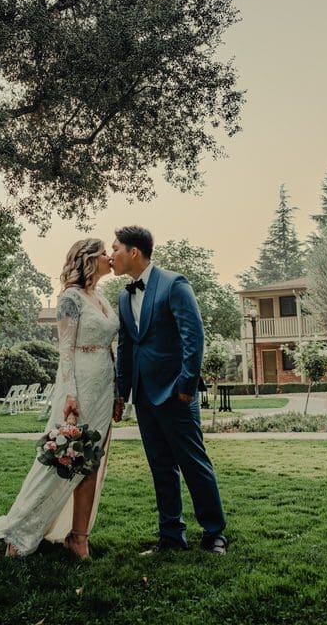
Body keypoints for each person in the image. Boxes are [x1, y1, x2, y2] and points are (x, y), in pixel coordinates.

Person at [0, 238, 120, 559]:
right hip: (78, 386)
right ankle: (23, 530)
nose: (110, 257)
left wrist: (118, 391)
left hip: (105, 387)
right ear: (89, 258)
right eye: (105, 252)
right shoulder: (69, 298)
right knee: (62, 460)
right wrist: (69, 394)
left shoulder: (103, 299)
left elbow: (111, 348)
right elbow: (64, 350)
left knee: (92, 461)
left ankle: (79, 537)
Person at [111, 225, 228, 554]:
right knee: (160, 467)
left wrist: (187, 383)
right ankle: (171, 536)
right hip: (144, 395)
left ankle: (214, 532)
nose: (111, 255)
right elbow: (126, 347)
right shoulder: (123, 296)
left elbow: (194, 335)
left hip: (177, 393)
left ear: (134, 252)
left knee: (194, 464)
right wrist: (122, 392)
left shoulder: (174, 284)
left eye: (115, 248)